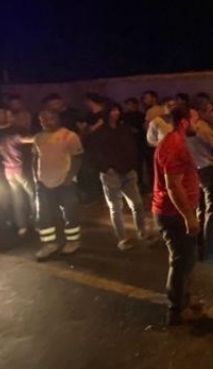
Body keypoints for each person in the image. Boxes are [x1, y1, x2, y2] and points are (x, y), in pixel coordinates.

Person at [151, 104, 202, 326]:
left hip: (178, 212)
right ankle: (176, 310)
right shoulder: (174, 145)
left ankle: (184, 301)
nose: (198, 124)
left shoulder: (176, 141)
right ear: (184, 122)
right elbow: (173, 187)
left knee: (187, 259)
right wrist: (188, 216)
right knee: (181, 262)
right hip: (173, 214)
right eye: (196, 120)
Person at [89, 103, 152, 250]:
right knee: (115, 207)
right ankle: (122, 239)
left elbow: (132, 147)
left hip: (127, 171)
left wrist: (132, 166)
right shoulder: (100, 132)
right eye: (112, 110)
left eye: (117, 110)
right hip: (111, 173)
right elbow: (94, 153)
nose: (115, 113)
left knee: (137, 204)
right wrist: (105, 168)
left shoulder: (124, 129)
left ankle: (142, 233)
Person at [29, 109, 84, 261]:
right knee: (44, 215)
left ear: (57, 118)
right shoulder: (38, 137)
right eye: (42, 119)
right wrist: (36, 178)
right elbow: (35, 158)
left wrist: (69, 178)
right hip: (43, 183)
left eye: (49, 118)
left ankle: (73, 242)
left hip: (65, 183)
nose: (45, 121)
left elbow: (77, 159)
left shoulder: (69, 136)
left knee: (70, 214)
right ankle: (49, 244)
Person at [187, 99, 213, 262]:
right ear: (201, 112)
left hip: (199, 169)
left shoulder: (190, 129)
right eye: (210, 111)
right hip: (210, 170)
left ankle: (200, 245)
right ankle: (212, 251)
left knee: (201, 210)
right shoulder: (202, 127)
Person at [0, 102, 35, 237]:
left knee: (17, 197)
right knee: (32, 195)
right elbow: (29, 140)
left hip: (8, 171)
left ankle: (22, 226)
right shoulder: (16, 133)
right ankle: (38, 223)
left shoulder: (6, 135)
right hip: (21, 169)